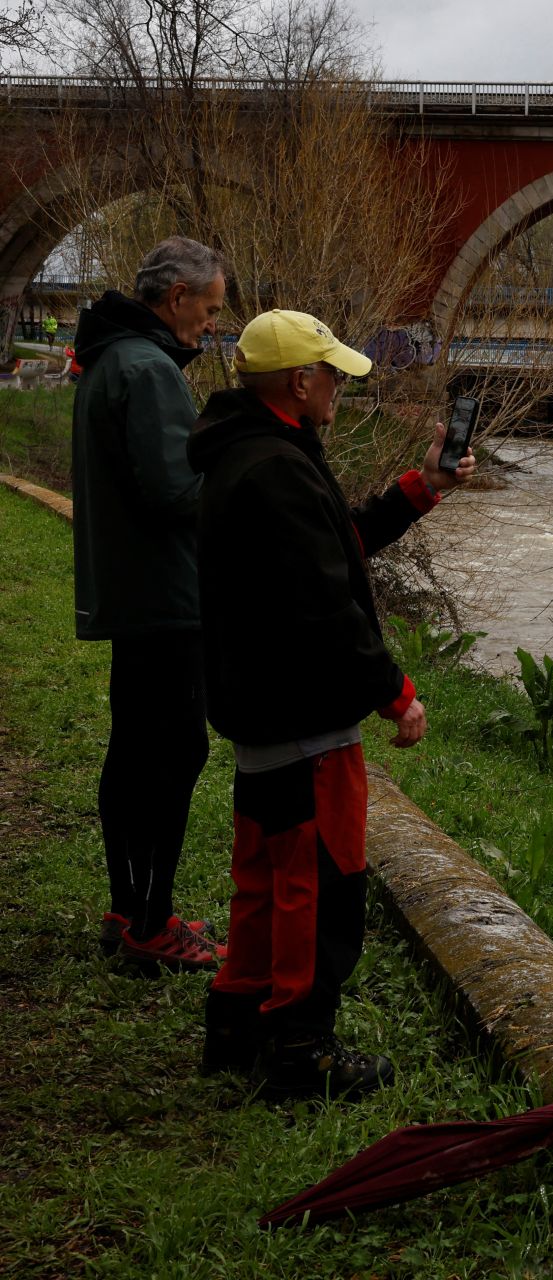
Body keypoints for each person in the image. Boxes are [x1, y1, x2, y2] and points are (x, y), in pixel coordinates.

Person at [188, 309, 474, 1098]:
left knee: (264, 877)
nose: (342, 387)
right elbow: (324, 605)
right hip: (304, 714)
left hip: (260, 709)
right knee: (320, 883)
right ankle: (300, 1053)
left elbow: (331, 543)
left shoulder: (247, 452)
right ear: (299, 381)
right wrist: (396, 695)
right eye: (334, 374)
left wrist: (420, 489)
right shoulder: (276, 467)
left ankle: (237, 1021)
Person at [70, 236, 230, 971]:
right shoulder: (150, 368)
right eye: (209, 307)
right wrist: (234, 484)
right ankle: (152, 923)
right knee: (175, 751)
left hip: (128, 591)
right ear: (177, 299)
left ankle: (125, 907)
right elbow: (175, 490)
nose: (212, 323)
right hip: (168, 595)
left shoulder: (110, 359)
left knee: (132, 749)